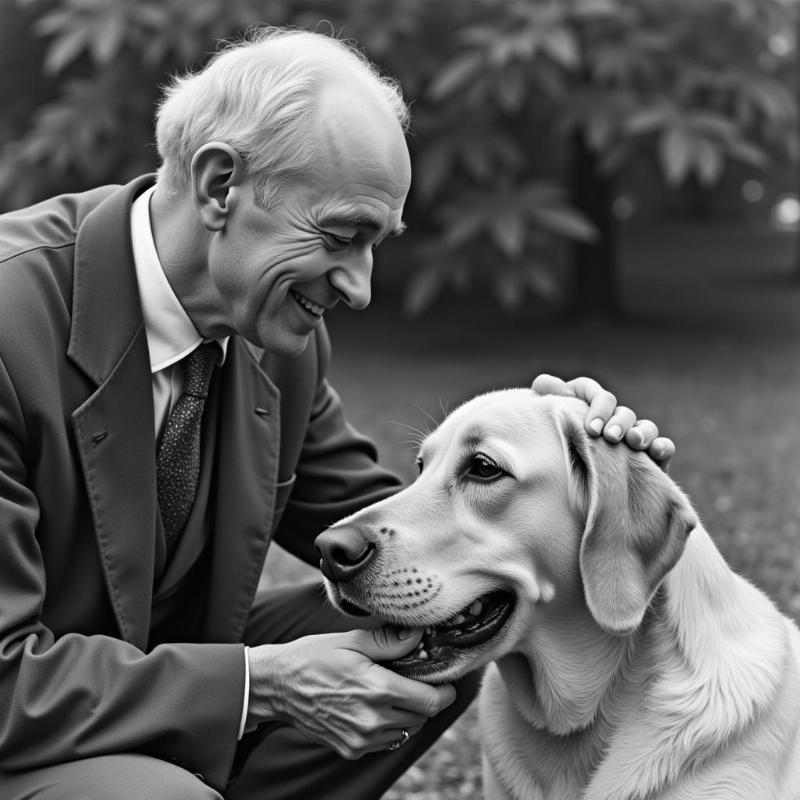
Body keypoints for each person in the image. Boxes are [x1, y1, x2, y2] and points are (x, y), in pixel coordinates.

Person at [0, 26, 673, 800]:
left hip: (142, 683)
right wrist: (262, 684)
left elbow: (402, 535)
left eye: (378, 243)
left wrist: (558, 463)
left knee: (451, 617)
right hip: (20, 710)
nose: (360, 288)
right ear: (221, 187)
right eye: (341, 237)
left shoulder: (275, 338)